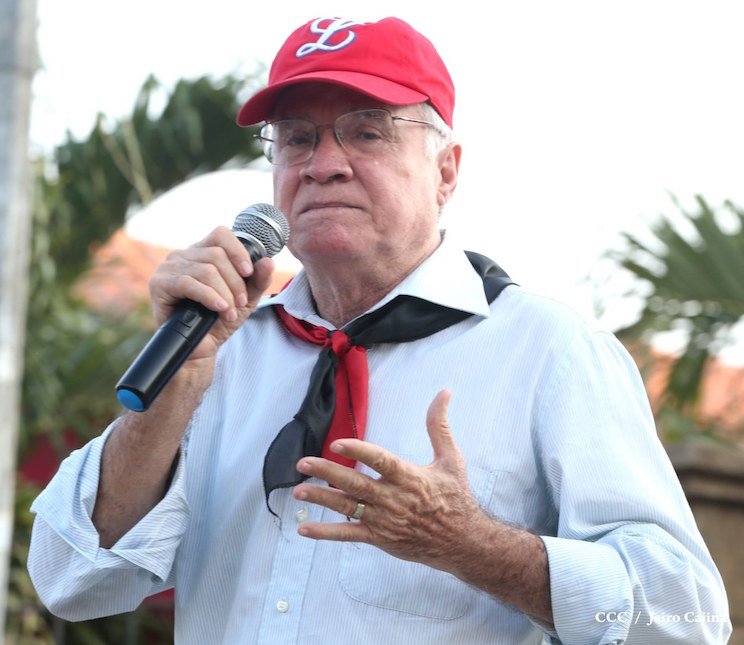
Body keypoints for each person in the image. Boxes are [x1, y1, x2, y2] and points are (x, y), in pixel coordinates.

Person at [28, 16, 731, 644]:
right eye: (297, 138)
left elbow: (685, 621)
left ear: (446, 171)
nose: (323, 164)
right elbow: (70, 580)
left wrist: (471, 545)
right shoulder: (216, 346)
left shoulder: (552, 351)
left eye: (368, 131)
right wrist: (172, 393)